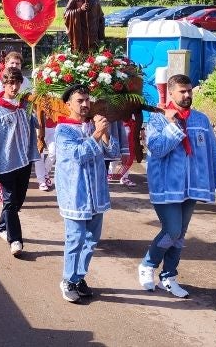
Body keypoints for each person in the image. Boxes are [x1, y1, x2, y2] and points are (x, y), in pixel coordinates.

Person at [138, 74, 216, 298]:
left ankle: (169, 277)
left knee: (180, 234)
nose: (187, 95)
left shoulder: (201, 119)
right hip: (166, 186)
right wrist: (172, 125)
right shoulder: (157, 119)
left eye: (189, 90)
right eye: (182, 91)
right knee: (171, 230)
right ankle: (148, 265)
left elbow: (213, 153)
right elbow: (157, 149)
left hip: (192, 187)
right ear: (170, 93)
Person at [54, 84, 120, 302]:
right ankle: (67, 279)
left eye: (86, 100)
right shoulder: (63, 130)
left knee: (91, 240)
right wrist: (98, 133)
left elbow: (113, 152)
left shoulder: (93, 125)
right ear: (68, 104)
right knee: (75, 238)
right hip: (75, 194)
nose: (84, 104)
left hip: (97, 193)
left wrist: (106, 133)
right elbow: (77, 155)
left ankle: (79, 277)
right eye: (79, 101)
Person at [0, 67, 39, 256]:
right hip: (6, 162)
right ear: (4, 84)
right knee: (11, 200)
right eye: (10, 83)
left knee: (18, 199)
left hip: (24, 159)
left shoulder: (24, 104)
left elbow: (35, 123)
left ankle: (2, 226)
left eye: (17, 83)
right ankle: (16, 240)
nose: (13, 87)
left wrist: (40, 105)